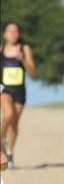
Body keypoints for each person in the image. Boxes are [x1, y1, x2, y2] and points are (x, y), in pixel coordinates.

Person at [1, 21, 36, 168]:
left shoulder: (25, 49)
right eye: (9, 31)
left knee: (14, 124)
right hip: (4, 90)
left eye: (15, 31)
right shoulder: (1, 50)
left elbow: (33, 73)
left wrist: (23, 60)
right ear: (4, 34)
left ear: (19, 34)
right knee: (8, 115)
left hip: (20, 92)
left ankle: (9, 153)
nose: (12, 34)